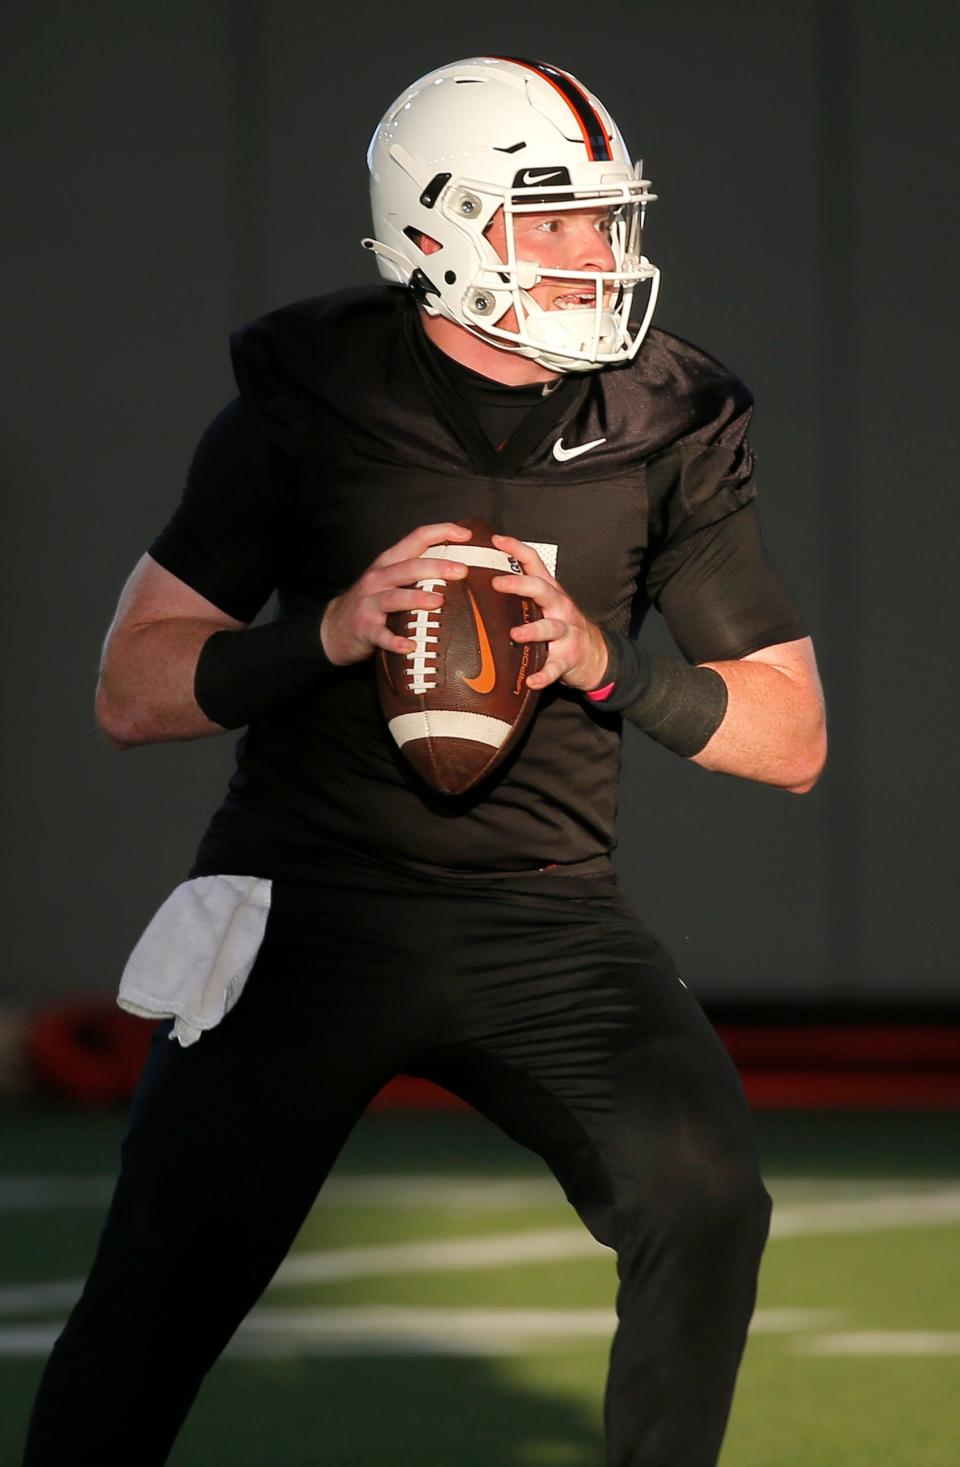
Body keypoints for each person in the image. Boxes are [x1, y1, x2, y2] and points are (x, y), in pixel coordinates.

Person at [23, 56, 826, 1467]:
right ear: (437, 224)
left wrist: (604, 662)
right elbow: (130, 693)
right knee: (154, 1288)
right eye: (556, 219)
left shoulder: (669, 417)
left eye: (606, 218)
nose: (599, 253)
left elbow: (793, 738)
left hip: (547, 915)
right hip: (306, 907)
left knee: (707, 1194)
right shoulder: (310, 397)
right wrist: (328, 629)